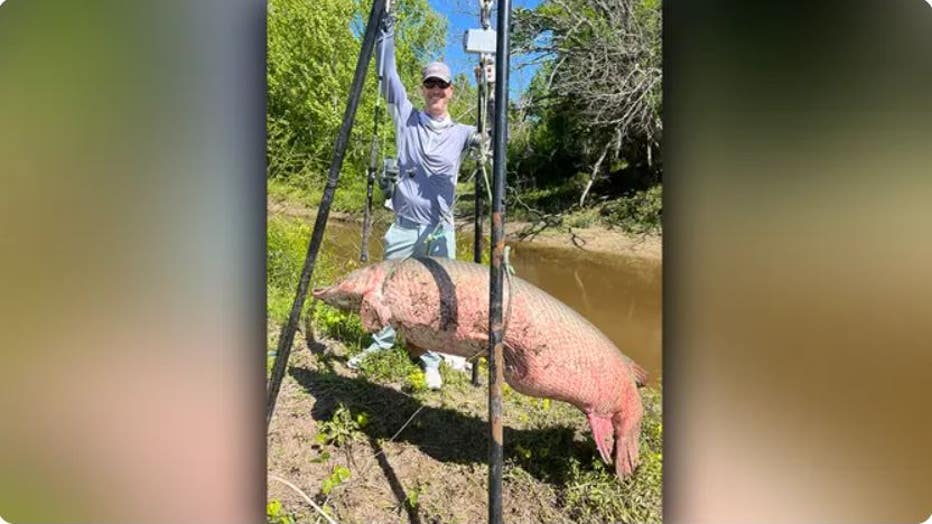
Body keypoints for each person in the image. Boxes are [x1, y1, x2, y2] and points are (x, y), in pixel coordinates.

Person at [346, 8, 479, 390]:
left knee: (438, 294)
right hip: (405, 224)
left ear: (452, 90)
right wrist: (385, 32)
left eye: (442, 85)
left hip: (441, 229)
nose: (436, 90)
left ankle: (432, 357)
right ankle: (382, 341)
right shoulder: (407, 119)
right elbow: (388, 78)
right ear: (423, 89)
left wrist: (488, 87)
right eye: (430, 84)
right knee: (388, 287)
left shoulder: (462, 132)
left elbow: (489, 137)